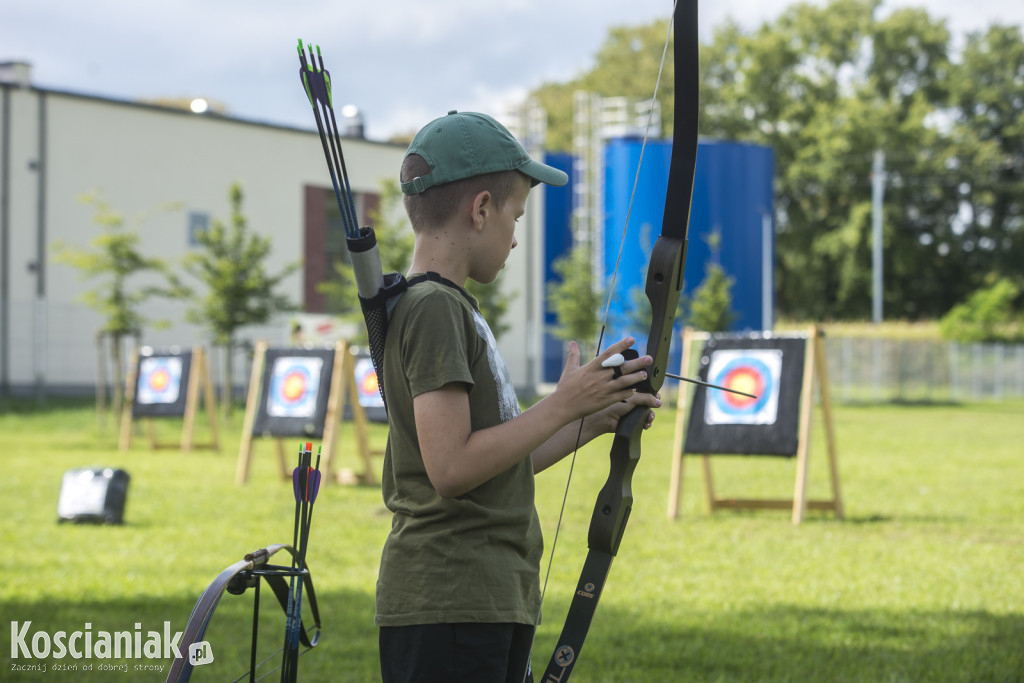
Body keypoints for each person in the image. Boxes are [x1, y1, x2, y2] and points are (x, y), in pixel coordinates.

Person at [376, 110, 659, 683]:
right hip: (451, 604)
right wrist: (561, 403)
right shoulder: (433, 308)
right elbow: (451, 469)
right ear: (481, 209)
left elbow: (498, 461)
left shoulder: (450, 307)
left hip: (484, 598)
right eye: (517, 217)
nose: (514, 238)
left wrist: (591, 418)